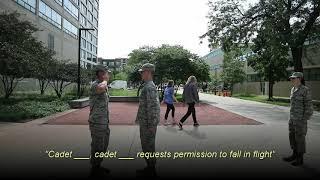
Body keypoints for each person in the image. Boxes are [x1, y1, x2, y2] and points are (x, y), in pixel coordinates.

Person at [283, 72, 313, 166]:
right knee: (292, 137)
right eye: (291, 78)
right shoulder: (293, 89)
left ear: (299, 79)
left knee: (300, 139)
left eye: (293, 78)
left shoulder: (305, 90)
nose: (291, 80)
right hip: (292, 119)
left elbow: (309, 106)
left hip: (300, 119)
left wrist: (304, 119)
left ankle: (300, 158)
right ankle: (294, 154)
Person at [135, 63, 160, 176]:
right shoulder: (148, 85)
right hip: (146, 122)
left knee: (148, 146)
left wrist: (151, 125)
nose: (141, 74)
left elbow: (152, 107)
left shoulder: (149, 87)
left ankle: (151, 170)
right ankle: (150, 167)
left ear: (148, 72)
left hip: (148, 123)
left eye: (143, 72)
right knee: (147, 145)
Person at [88, 66, 111, 175]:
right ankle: (94, 169)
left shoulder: (104, 85)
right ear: (101, 74)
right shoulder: (95, 85)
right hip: (97, 122)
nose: (109, 76)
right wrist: (105, 80)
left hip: (104, 122)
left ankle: (98, 166)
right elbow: (100, 88)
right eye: (107, 73)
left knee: (103, 145)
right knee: (97, 146)